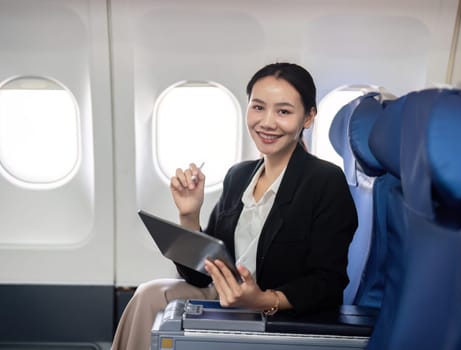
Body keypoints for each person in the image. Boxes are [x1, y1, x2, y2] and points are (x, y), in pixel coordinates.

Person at [112, 62, 358, 350]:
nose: (267, 122)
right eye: (258, 107)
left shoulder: (325, 181)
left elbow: (327, 282)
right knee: (149, 294)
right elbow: (200, 274)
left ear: (308, 117)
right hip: (226, 298)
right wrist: (189, 214)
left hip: (274, 312)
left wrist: (263, 300)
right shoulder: (238, 176)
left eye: (283, 111)